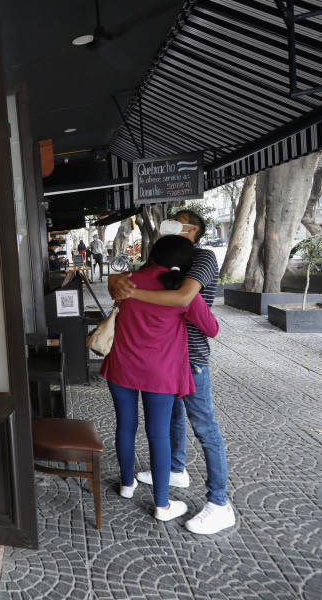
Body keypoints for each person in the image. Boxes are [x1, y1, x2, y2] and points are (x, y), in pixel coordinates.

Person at [110, 210, 235, 534]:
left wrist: (127, 287)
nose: (172, 223)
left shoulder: (202, 258)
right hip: (164, 370)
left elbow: (179, 295)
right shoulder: (173, 285)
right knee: (162, 432)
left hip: (134, 366)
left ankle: (130, 485)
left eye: (180, 221)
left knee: (132, 427)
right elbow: (210, 325)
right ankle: (163, 499)